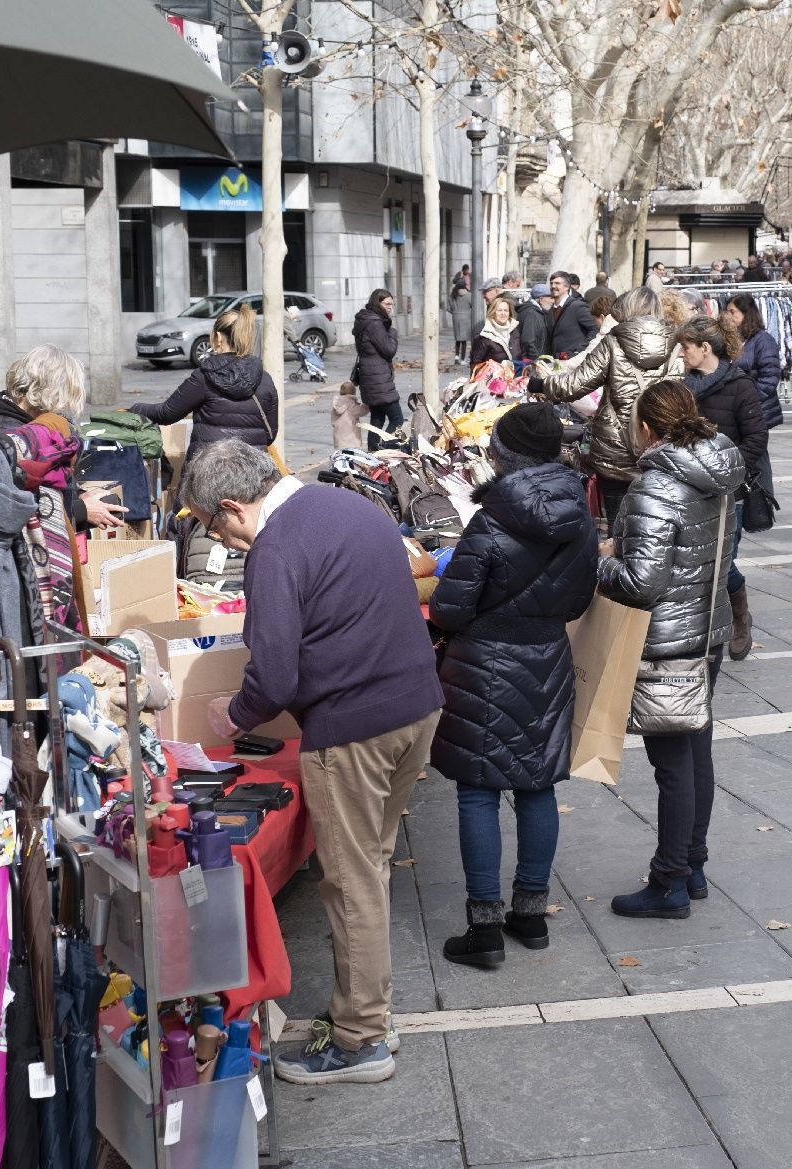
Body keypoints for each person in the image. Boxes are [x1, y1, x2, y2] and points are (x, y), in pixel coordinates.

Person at [191, 440, 442, 1085]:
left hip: (354, 727)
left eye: (217, 527)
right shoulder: (344, 503)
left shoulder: (275, 548)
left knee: (351, 878)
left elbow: (273, 677)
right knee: (372, 866)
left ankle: (361, 1037)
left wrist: (234, 716)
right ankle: (369, 1011)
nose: (226, 541)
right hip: (416, 707)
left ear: (231, 507)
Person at [430, 404, 598, 968]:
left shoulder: (493, 517)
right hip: (547, 656)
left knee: (478, 790)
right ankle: (530, 914)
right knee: (537, 785)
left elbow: (451, 608)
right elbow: (580, 597)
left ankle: (484, 931)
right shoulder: (578, 513)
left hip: (483, 665)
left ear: (505, 454)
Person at [597, 380, 745, 919]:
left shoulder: (657, 484)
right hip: (708, 630)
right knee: (695, 751)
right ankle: (693, 863)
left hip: (669, 642)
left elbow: (641, 582)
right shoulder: (719, 467)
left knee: (673, 764)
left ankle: (670, 882)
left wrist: (599, 560)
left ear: (648, 427)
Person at [533, 285, 680, 524]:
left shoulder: (613, 342)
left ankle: (618, 558)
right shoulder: (677, 347)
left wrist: (541, 385)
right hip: (660, 447)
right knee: (654, 523)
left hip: (616, 448)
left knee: (617, 525)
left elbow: (576, 384)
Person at [676, 316, 769, 661]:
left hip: (730, 491)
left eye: (686, 347)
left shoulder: (739, 385)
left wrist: (726, 472)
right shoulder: (683, 386)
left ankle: (740, 614)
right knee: (694, 562)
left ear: (705, 348)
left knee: (723, 563)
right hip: (689, 486)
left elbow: (757, 438)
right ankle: (703, 626)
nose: (681, 353)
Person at [0, 343, 124, 530]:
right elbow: (12, 507)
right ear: (51, 392)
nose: (63, 407)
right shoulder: (6, 435)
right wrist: (81, 509)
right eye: (66, 396)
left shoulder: (24, 422)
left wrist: (79, 495)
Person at [130, 301, 280, 459]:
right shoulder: (265, 379)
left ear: (218, 337)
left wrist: (136, 408)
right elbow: (269, 435)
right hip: (254, 475)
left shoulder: (204, 377)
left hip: (207, 474)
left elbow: (166, 413)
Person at [724, 294, 784, 431]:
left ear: (746, 313)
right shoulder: (732, 339)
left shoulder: (763, 340)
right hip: (738, 409)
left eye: (732, 312)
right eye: (727, 312)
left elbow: (770, 377)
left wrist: (750, 398)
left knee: (756, 450)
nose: (728, 316)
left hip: (758, 410)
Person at [352, 289, 401, 450]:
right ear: (377, 303)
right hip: (378, 378)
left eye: (392, 305)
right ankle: (385, 449)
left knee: (377, 418)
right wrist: (392, 333)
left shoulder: (365, 320)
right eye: (387, 304)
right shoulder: (375, 323)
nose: (390, 308)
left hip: (369, 376)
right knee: (397, 419)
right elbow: (388, 350)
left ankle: (373, 454)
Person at [545, 272, 600, 359]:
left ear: (567, 287)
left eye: (557, 283)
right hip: (557, 362)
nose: (553, 286)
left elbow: (595, 329)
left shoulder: (577, 306)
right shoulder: (551, 311)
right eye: (551, 283)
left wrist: (579, 351)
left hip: (575, 362)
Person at [470, 293, 524, 369]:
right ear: (493, 313)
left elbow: (522, 355)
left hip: (516, 378)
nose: (503, 313)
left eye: (506, 310)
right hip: (494, 379)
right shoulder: (484, 336)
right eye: (499, 310)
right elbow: (475, 365)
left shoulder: (515, 331)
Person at [518, 282, 552, 359]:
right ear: (541, 299)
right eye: (550, 298)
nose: (552, 301)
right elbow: (528, 341)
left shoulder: (537, 312)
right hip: (532, 363)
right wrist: (537, 360)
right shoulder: (530, 313)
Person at [450, 266, 472, 364]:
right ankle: (463, 359)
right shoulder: (468, 295)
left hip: (455, 318)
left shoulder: (452, 296)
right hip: (466, 318)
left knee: (457, 339)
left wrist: (455, 312)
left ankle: (456, 358)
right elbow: (472, 306)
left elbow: (449, 307)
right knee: (464, 340)